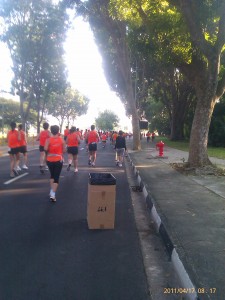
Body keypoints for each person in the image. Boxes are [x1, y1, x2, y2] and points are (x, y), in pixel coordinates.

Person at [44, 125, 66, 202]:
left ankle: (51, 191)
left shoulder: (48, 140)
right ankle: (53, 194)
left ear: (51, 131)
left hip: (49, 159)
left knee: (52, 175)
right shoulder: (62, 140)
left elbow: (45, 149)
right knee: (56, 177)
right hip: (58, 160)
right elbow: (64, 151)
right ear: (58, 131)